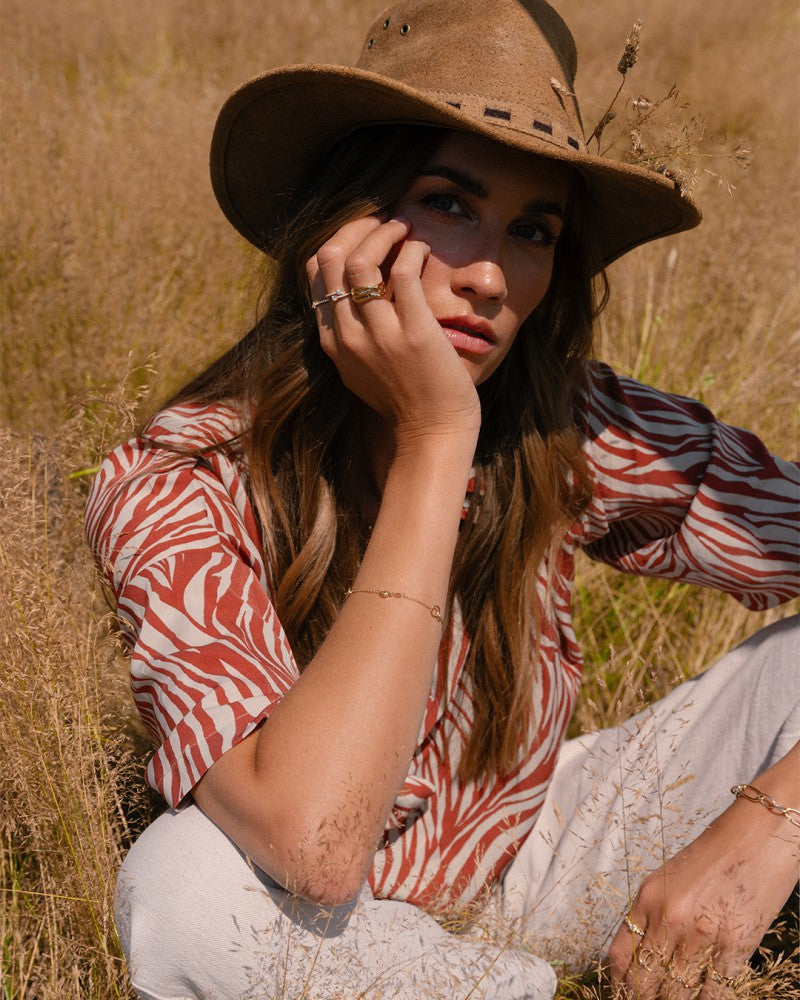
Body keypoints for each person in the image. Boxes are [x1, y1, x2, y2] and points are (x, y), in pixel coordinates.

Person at [85, 1, 799, 997]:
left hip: (540, 854)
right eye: (448, 204)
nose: (489, 276)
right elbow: (315, 847)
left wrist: (773, 822)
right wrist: (434, 441)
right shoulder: (178, 479)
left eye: (532, 229)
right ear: (340, 229)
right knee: (183, 893)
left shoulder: (563, 422)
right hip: (321, 918)